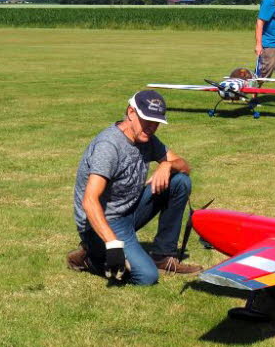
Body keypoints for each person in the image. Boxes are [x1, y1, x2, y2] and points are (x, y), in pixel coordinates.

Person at [66, 90, 202, 285]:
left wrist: (167, 165)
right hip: (104, 220)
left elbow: (185, 166)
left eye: (156, 123)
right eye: (147, 120)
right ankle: (91, 258)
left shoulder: (147, 138)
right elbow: (89, 201)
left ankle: (163, 256)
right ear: (131, 113)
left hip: (131, 210)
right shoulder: (109, 146)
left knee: (180, 181)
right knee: (146, 277)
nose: (152, 127)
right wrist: (113, 245)